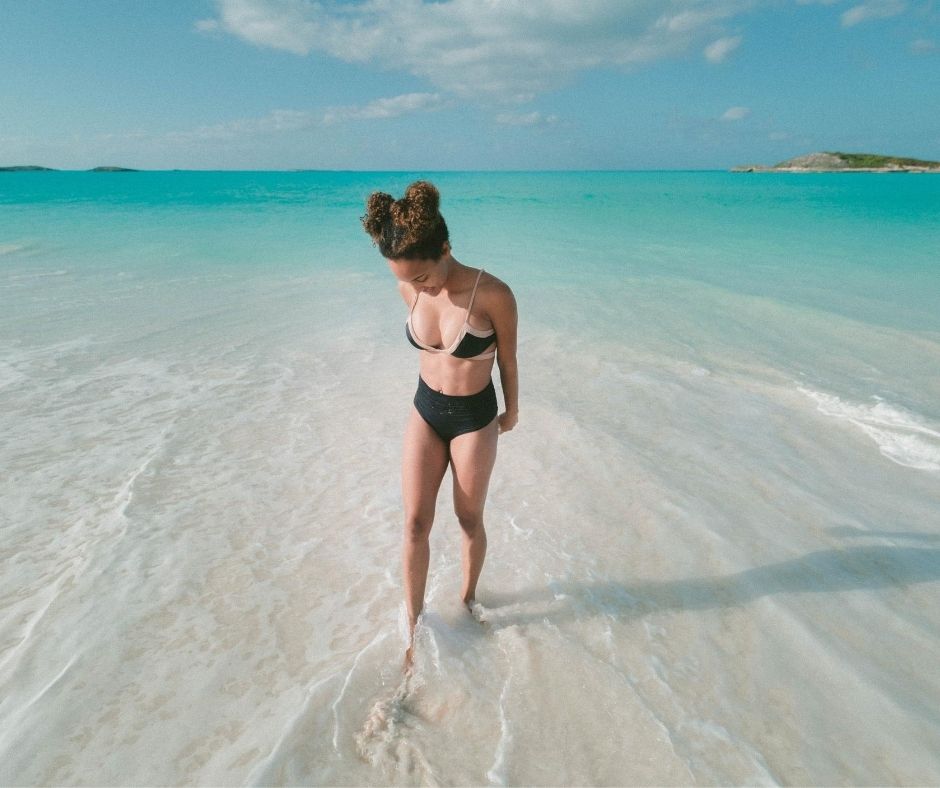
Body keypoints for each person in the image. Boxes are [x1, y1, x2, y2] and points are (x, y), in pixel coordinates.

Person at [362, 181, 518, 666]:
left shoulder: (493, 294)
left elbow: (508, 360)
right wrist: (414, 285)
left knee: (468, 518)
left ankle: (468, 601)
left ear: (445, 247)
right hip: (426, 409)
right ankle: (413, 630)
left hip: (474, 417)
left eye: (425, 277)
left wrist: (512, 411)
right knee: (414, 523)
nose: (419, 288)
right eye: (408, 280)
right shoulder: (405, 285)